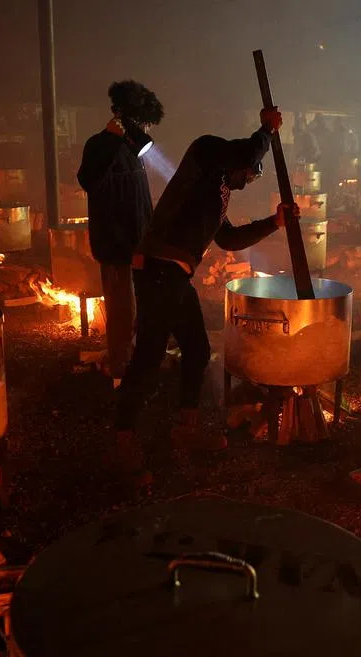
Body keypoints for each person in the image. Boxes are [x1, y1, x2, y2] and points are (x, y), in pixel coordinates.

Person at [113, 107, 295, 483]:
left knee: (196, 350)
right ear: (239, 160)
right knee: (147, 357)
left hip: (174, 276)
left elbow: (227, 238)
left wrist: (273, 224)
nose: (252, 176)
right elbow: (246, 153)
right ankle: (122, 441)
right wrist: (267, 130)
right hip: (157, 269)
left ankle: (186, 427)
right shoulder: (206, 154)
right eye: (252, 170)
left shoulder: (217, 196)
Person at [76, 80, 163, 383]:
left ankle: (135, 362)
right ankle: (121, 374)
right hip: (115, 246)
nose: (146, 130)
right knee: (122, 313)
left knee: (140, 309)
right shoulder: (100, 145)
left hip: (139, 245)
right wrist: (114, 140)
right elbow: (89, 180)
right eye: (143, 123)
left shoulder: (133, 151)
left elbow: (140, 199)